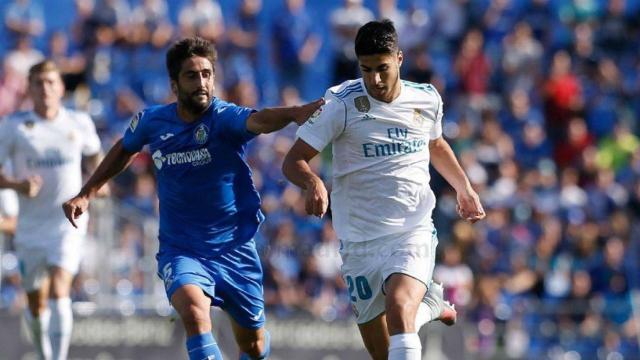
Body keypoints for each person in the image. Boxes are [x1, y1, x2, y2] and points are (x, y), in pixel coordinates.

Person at [62, 36, 323, 360]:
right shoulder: (153, 121)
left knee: (253, 345)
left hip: (234, 249)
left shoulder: (223, 117)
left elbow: (261, 119)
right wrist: (87, 193)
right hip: (182, 250)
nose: (202, 82)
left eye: (207, 74)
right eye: (192, 75)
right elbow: (125, 147)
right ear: (174, 83)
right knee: (195, 315)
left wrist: (297, 112)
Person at [282, 20, 485, 360]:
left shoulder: (426, 99)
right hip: (359, 240)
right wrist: (312, 181)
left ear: (400, 59)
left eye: (382, 68)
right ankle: (432, 305)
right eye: (366, 69)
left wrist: (464, 188)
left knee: (401, 308)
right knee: (382, 351)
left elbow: (435, 144)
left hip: (411, 230)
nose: (375, 79)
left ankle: (424, 305)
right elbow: (293, 160)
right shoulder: (340, 104)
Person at [0, 60, 105, 360]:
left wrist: (98, 184)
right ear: (29, 88)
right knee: (36, 302)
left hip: (67, 223)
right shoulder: (13, 127)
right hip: (29, 227)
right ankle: (45, 354)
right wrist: (17, 185)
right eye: (38, 83)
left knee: (61, 288)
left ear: (61, 87)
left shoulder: (79, 123)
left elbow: (95, 159)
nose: (45, 89)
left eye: (50, 82)